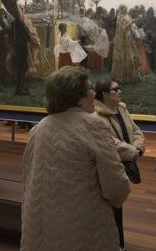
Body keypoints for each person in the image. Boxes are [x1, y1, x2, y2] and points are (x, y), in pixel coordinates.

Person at [21, 66, 131, 251]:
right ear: (76, 95)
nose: (94, 92)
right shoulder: (93, 126)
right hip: (83, 226)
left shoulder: (39, 128)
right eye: (89, 88)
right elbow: (116, 187)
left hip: (41, 224)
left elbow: (27, 177)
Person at [94, 78, 145, 251]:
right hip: (111, 164)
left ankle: (119, 243)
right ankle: (117, 244)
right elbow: (111, 142)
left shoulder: (122, 109)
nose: (119, 91)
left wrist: (137, 148)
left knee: (118, 204)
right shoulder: (97, 116)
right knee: (113, 206)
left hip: (126, 160)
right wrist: (133, 152)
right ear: (104, 94)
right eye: (116, 89)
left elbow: (136, 131)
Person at [111, 5, 140, 83]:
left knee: (130, 57)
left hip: (128, 39)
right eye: (124, 9)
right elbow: (124, 28)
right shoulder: (119, 17)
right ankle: (123, 77)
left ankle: (132, 76)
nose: (126, 10)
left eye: (126, 9)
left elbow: (129, 27)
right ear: (121, 9)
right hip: (123, 40)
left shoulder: (126, 16)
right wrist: (132, 22)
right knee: (124, 58)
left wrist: (132, 24)